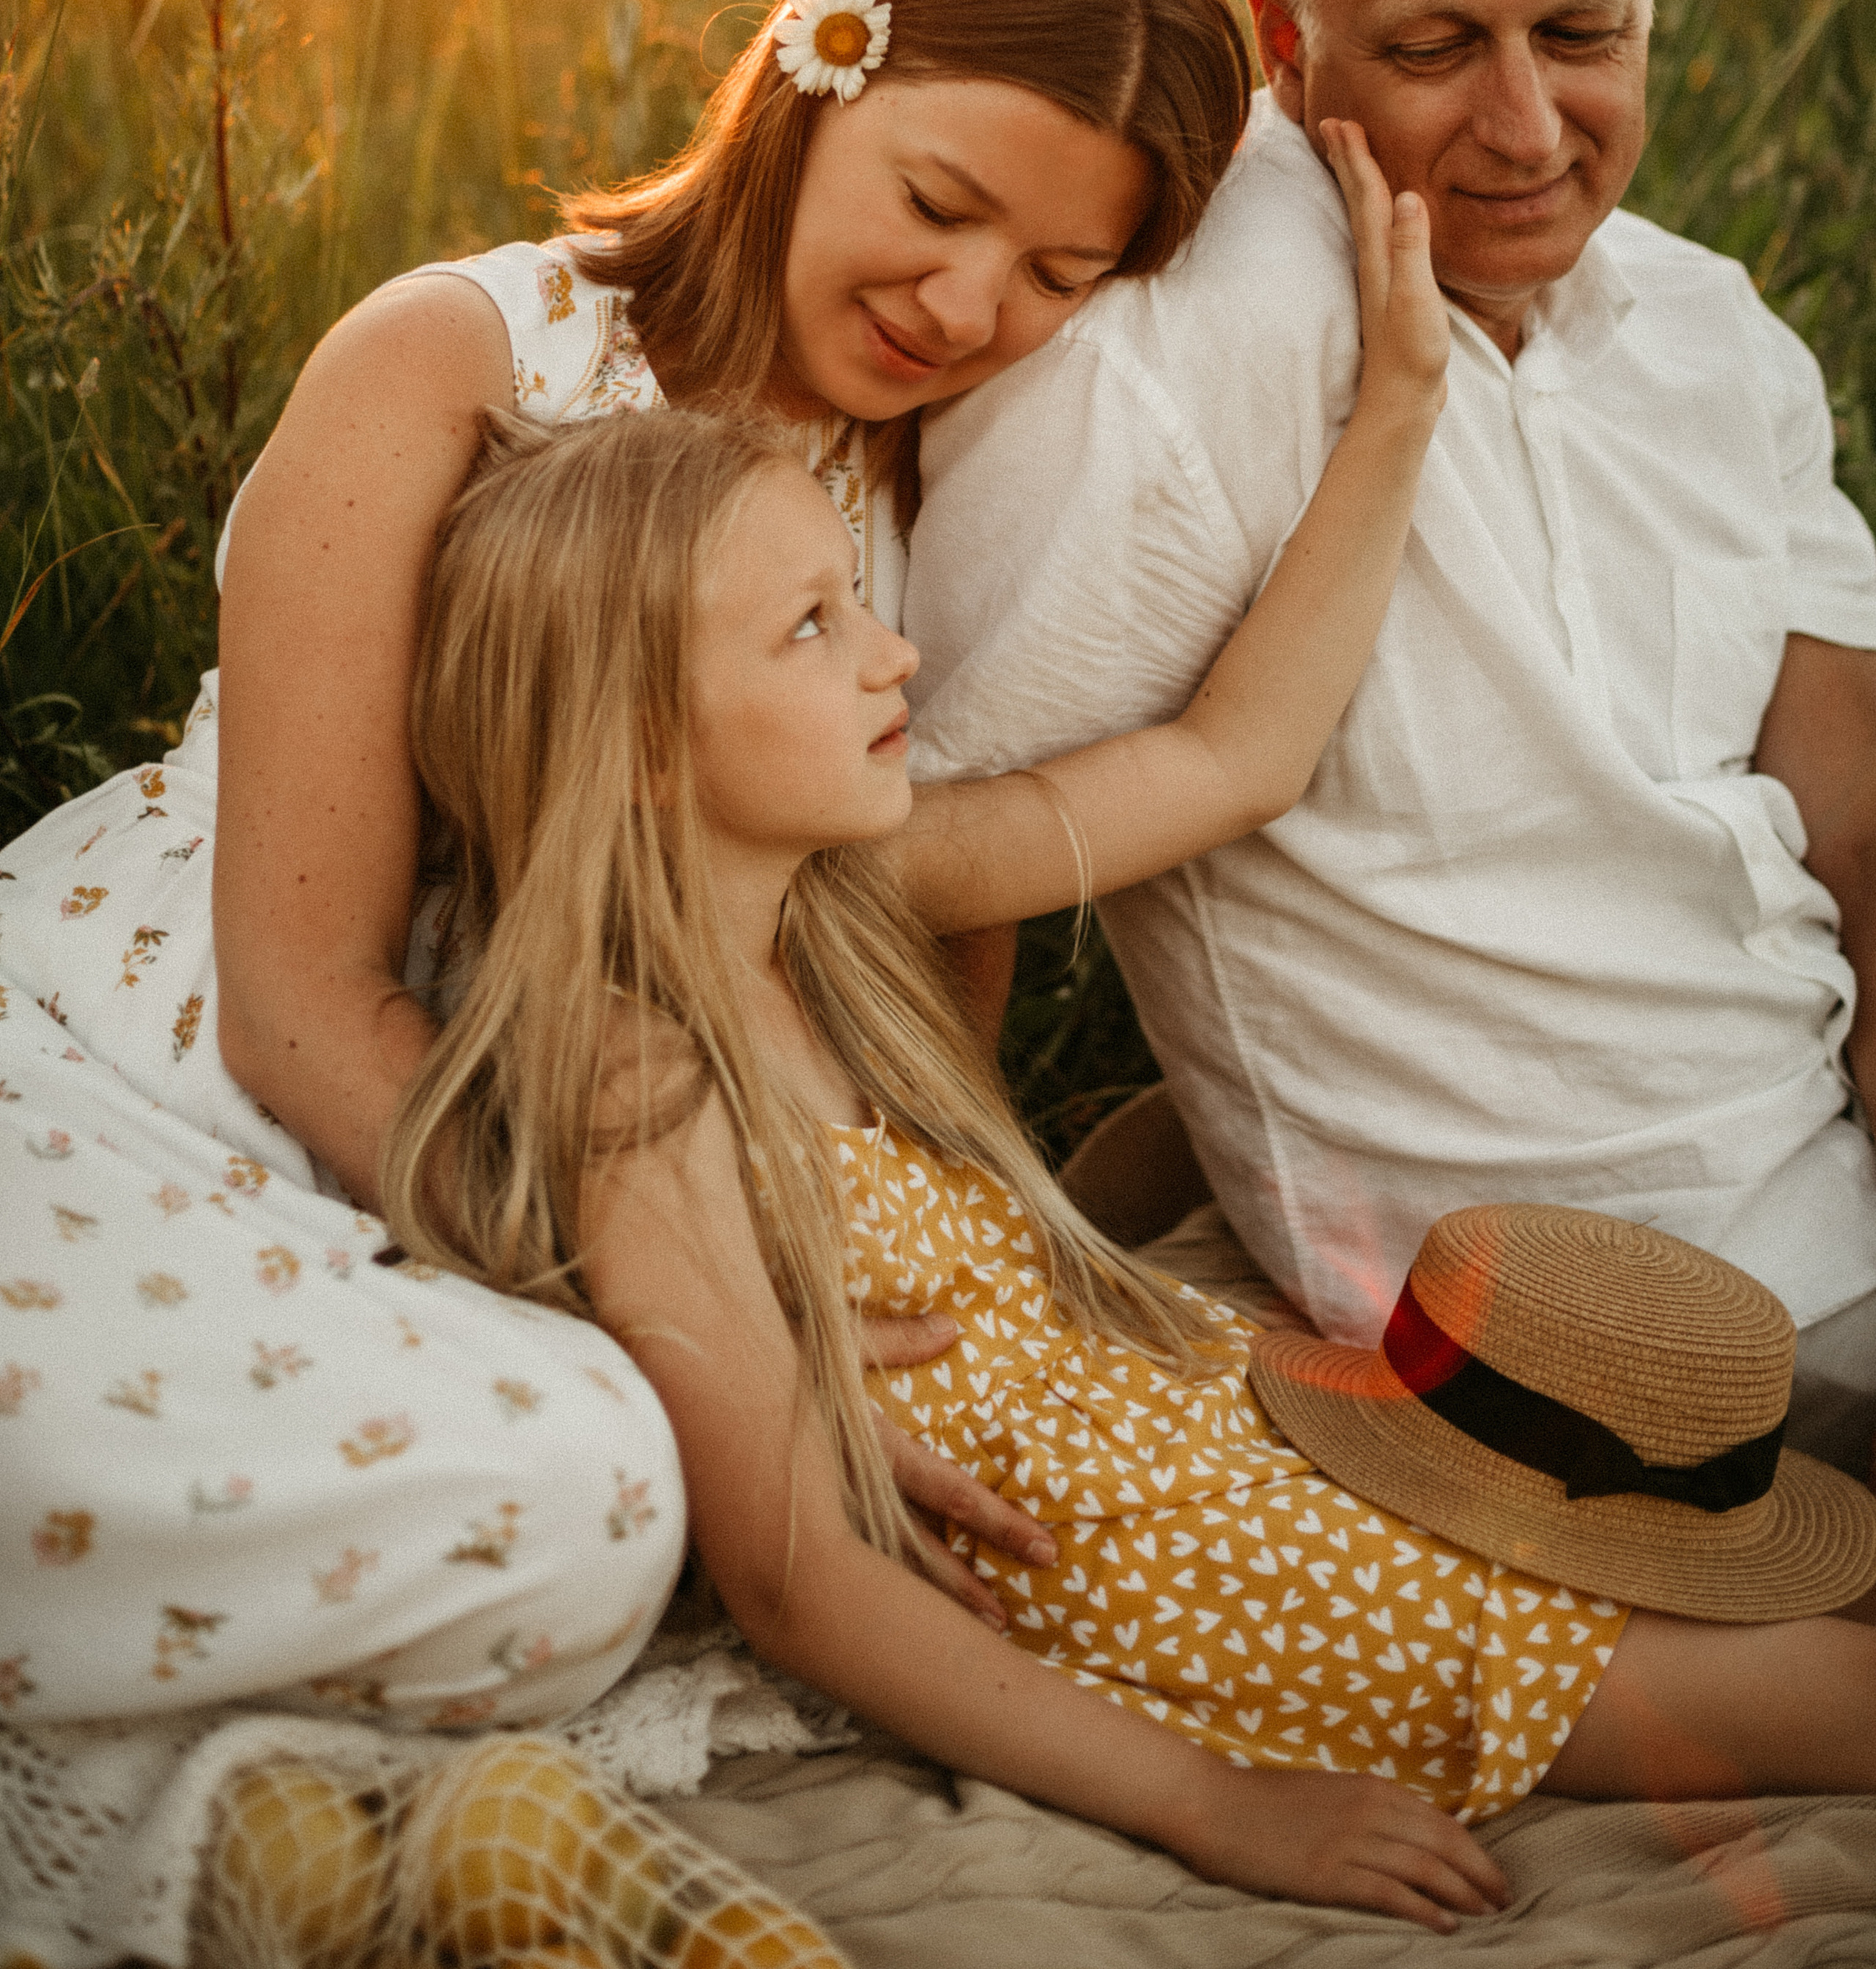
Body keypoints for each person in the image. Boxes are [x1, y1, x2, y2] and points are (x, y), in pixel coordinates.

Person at [374, 261, 1872, 1936]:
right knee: (1806, 1693)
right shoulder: (630, 1070)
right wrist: (1212, 1803)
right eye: (812, 627)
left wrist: (1391, 411)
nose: (897, 656)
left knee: (1756, 1567)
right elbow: (797, 1575)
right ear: (640, 739)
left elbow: (1240, 751)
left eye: (852, 596)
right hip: (1181, 1570)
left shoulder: (831, 918)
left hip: (1222, 1431)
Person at [0, 0, 1248, 1723]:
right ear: (810, 71)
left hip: (603, 1136)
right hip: (206, 1059)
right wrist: (718, 1336)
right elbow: (300, 994)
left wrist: (847, 1283)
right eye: (937, 204)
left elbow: (914, 945)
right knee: (590, 1493)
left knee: (628, 1501)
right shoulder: (461, 357)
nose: (967, 302)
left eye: (1059, 276)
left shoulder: (935, 493)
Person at [904, 0, 1876, 1477]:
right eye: (1434, 46)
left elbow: (1855, 819)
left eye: (1581, 33)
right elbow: (917, 848)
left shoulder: (1710, 333)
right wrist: (945, 1292)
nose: (1525, 124)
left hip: (1833, 1191)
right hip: (1575, 1329)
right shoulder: (1177, 367)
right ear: (1285, 43)